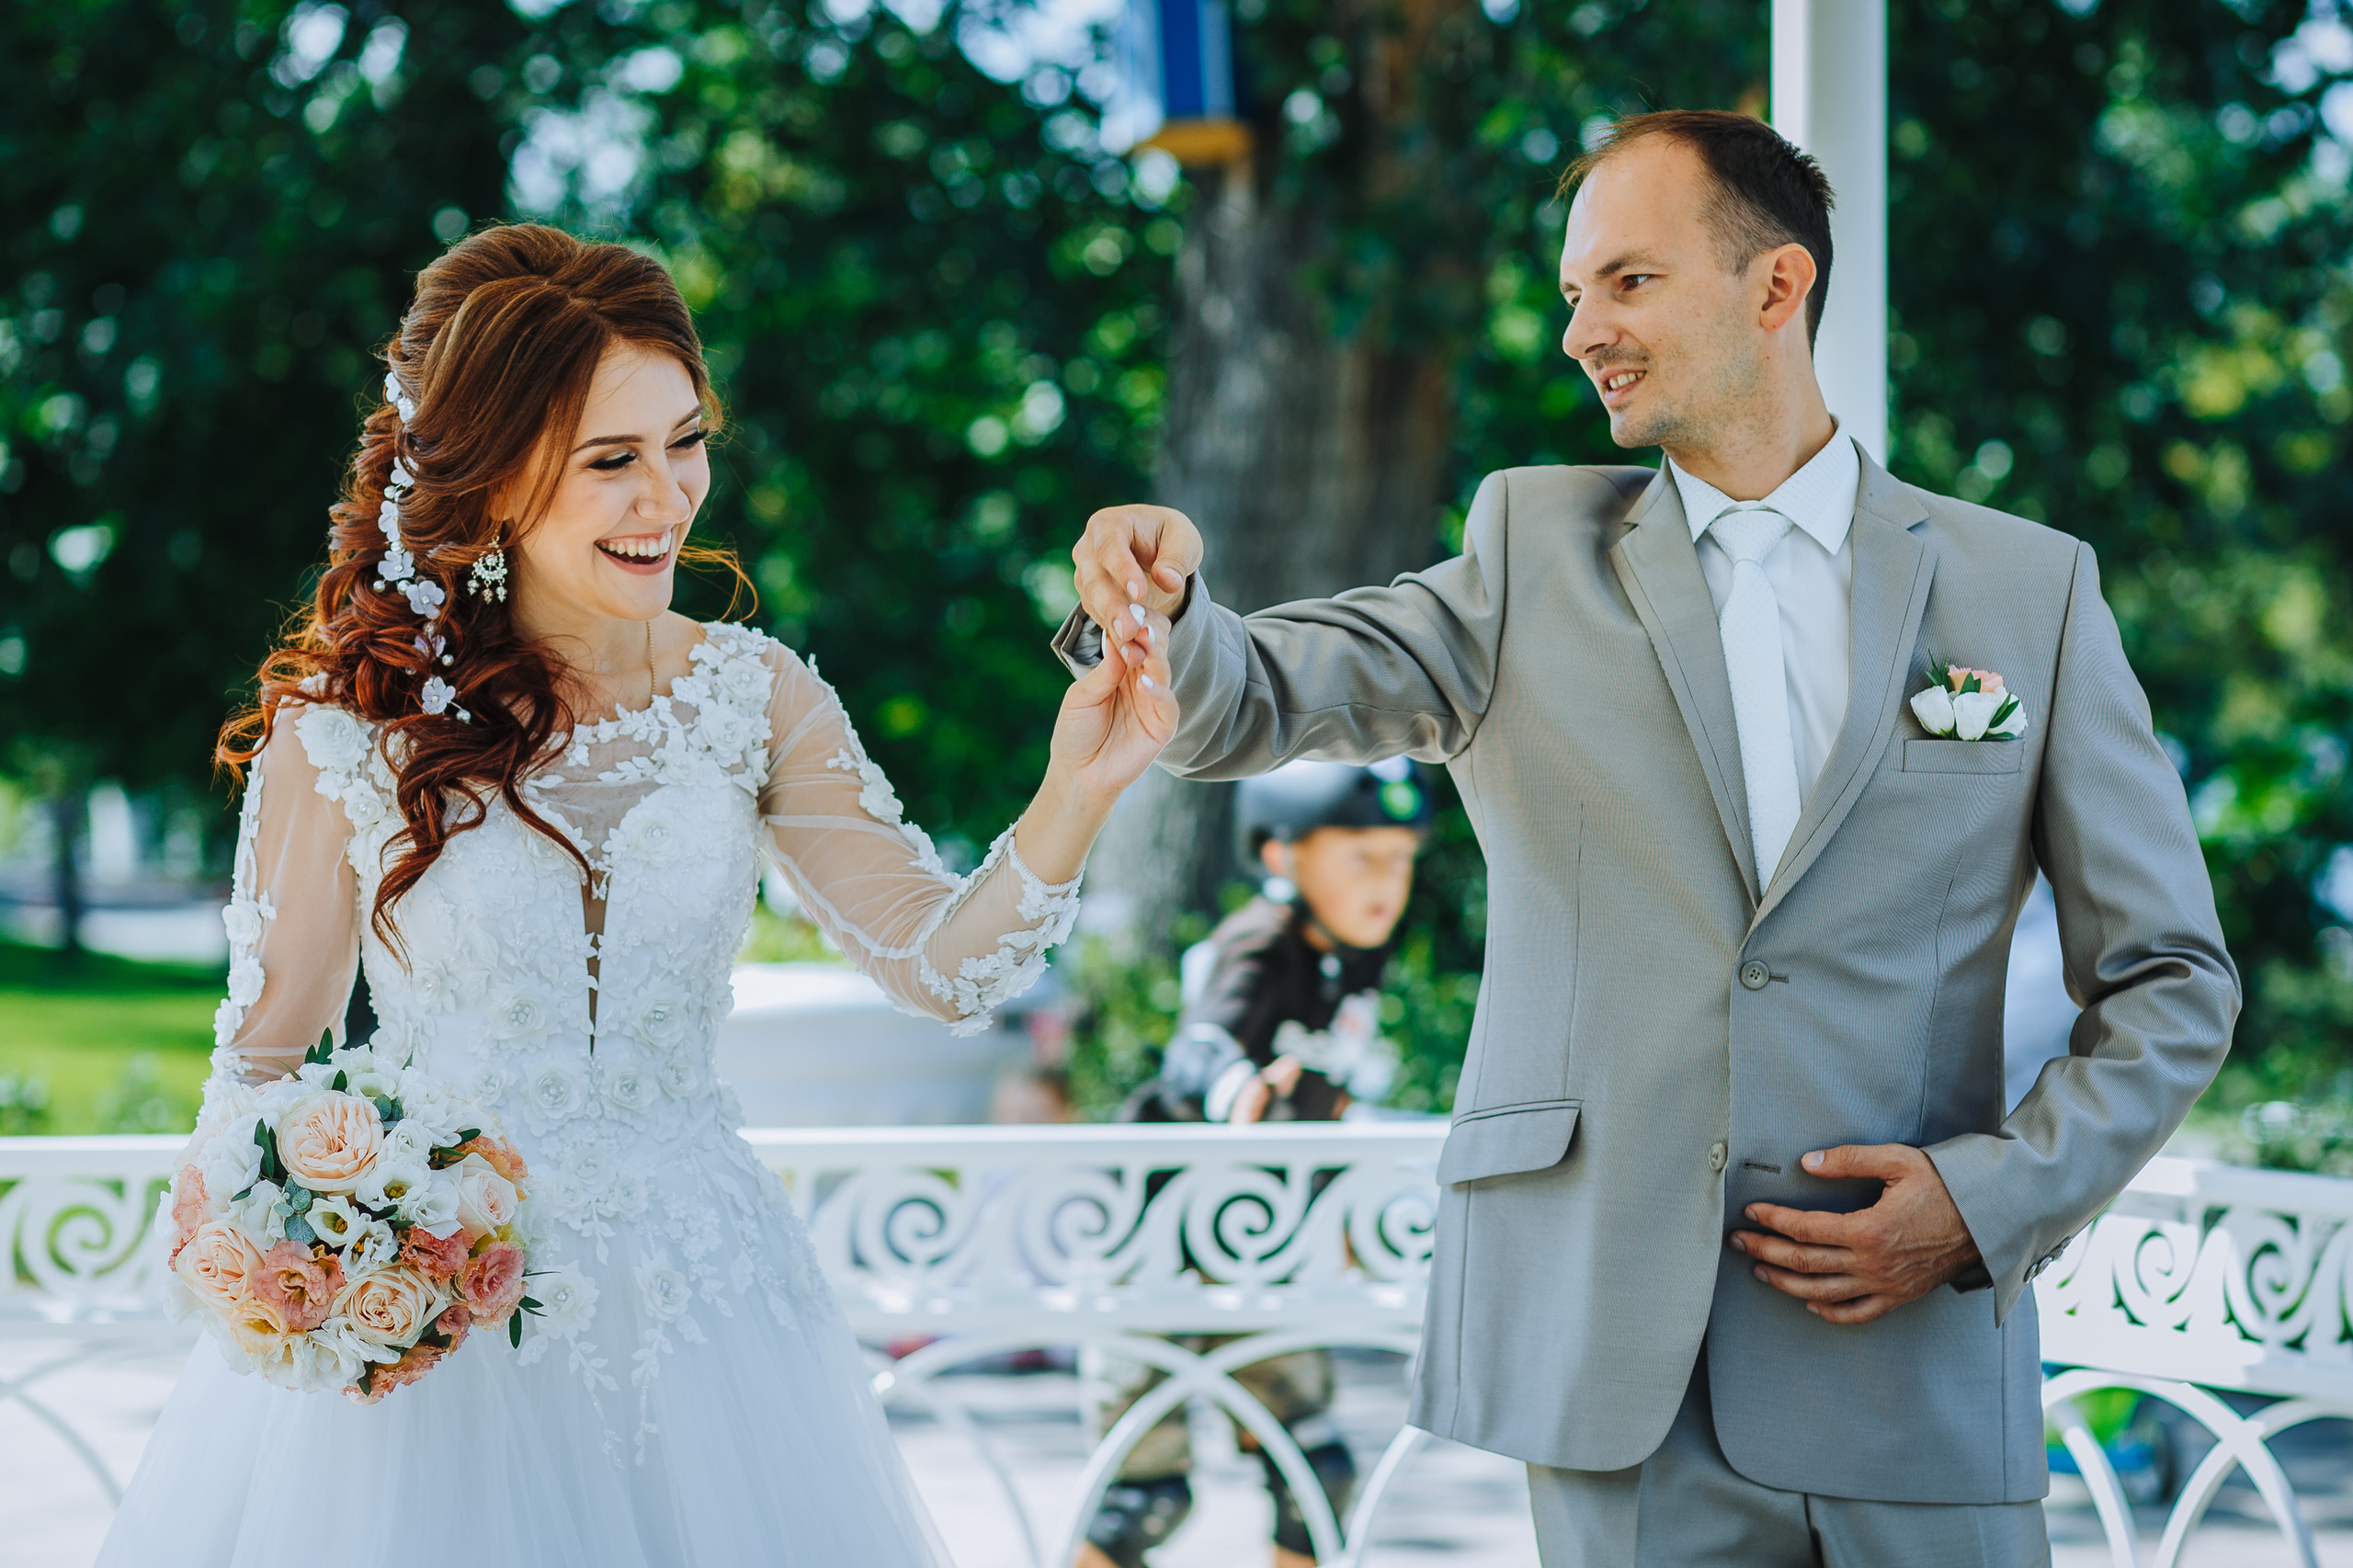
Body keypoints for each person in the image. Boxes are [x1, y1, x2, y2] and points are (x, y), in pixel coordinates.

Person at [1061, 110, 2236, 1566]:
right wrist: (1158, 614)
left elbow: (2174, 975)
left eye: (1626, 281)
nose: (1580, 333)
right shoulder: (1522, 554)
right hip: (1621, 1372)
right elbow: (1250, 699)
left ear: (1775, 286)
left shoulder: (2027, 591)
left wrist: (1989, 1199)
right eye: (1571, 293)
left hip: (1915, 1371)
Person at [98, 222, 1176, 1567]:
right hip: (444, 1344)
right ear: (492, 484)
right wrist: (303, 1254)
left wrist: (1079, 785)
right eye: (611, 460)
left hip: (715, 1315)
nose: (667, 495)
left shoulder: (752, 695)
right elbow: (258, 1068)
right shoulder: (352, 730)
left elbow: (944, 967)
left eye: (686, 440)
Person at [1085, 759, 1427, 1568]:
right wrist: (1235, 1087)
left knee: (1315, 1476)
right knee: (1144, 1501)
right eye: (1360, 858)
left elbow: (1329, 1098)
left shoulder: (1353, 958)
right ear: (1281, 858)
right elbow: (1199, 1050)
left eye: (1400, 859)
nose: (1387, 882)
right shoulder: (1261, 943)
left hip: (1258, 1244)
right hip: (1159, 1237)